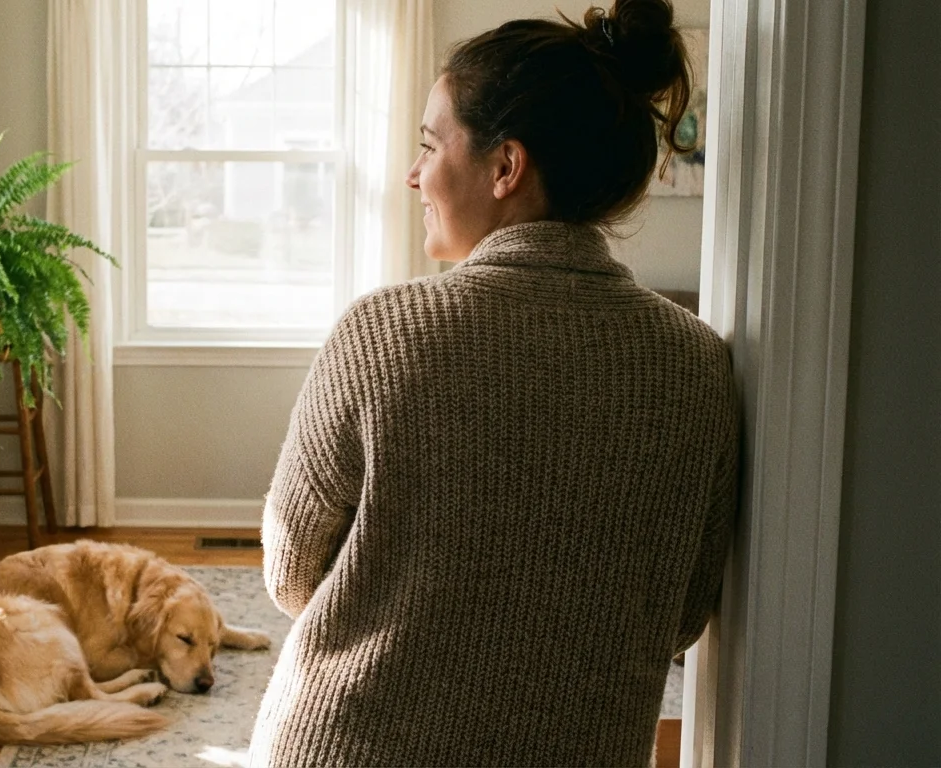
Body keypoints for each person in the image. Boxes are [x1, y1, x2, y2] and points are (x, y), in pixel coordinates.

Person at [248, 0, 738, 765]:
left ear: (506, 166)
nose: (413, 175)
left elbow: (290, 571)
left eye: (429, 145)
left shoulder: (384, 333)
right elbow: (680, 615)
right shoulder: (698, 364)